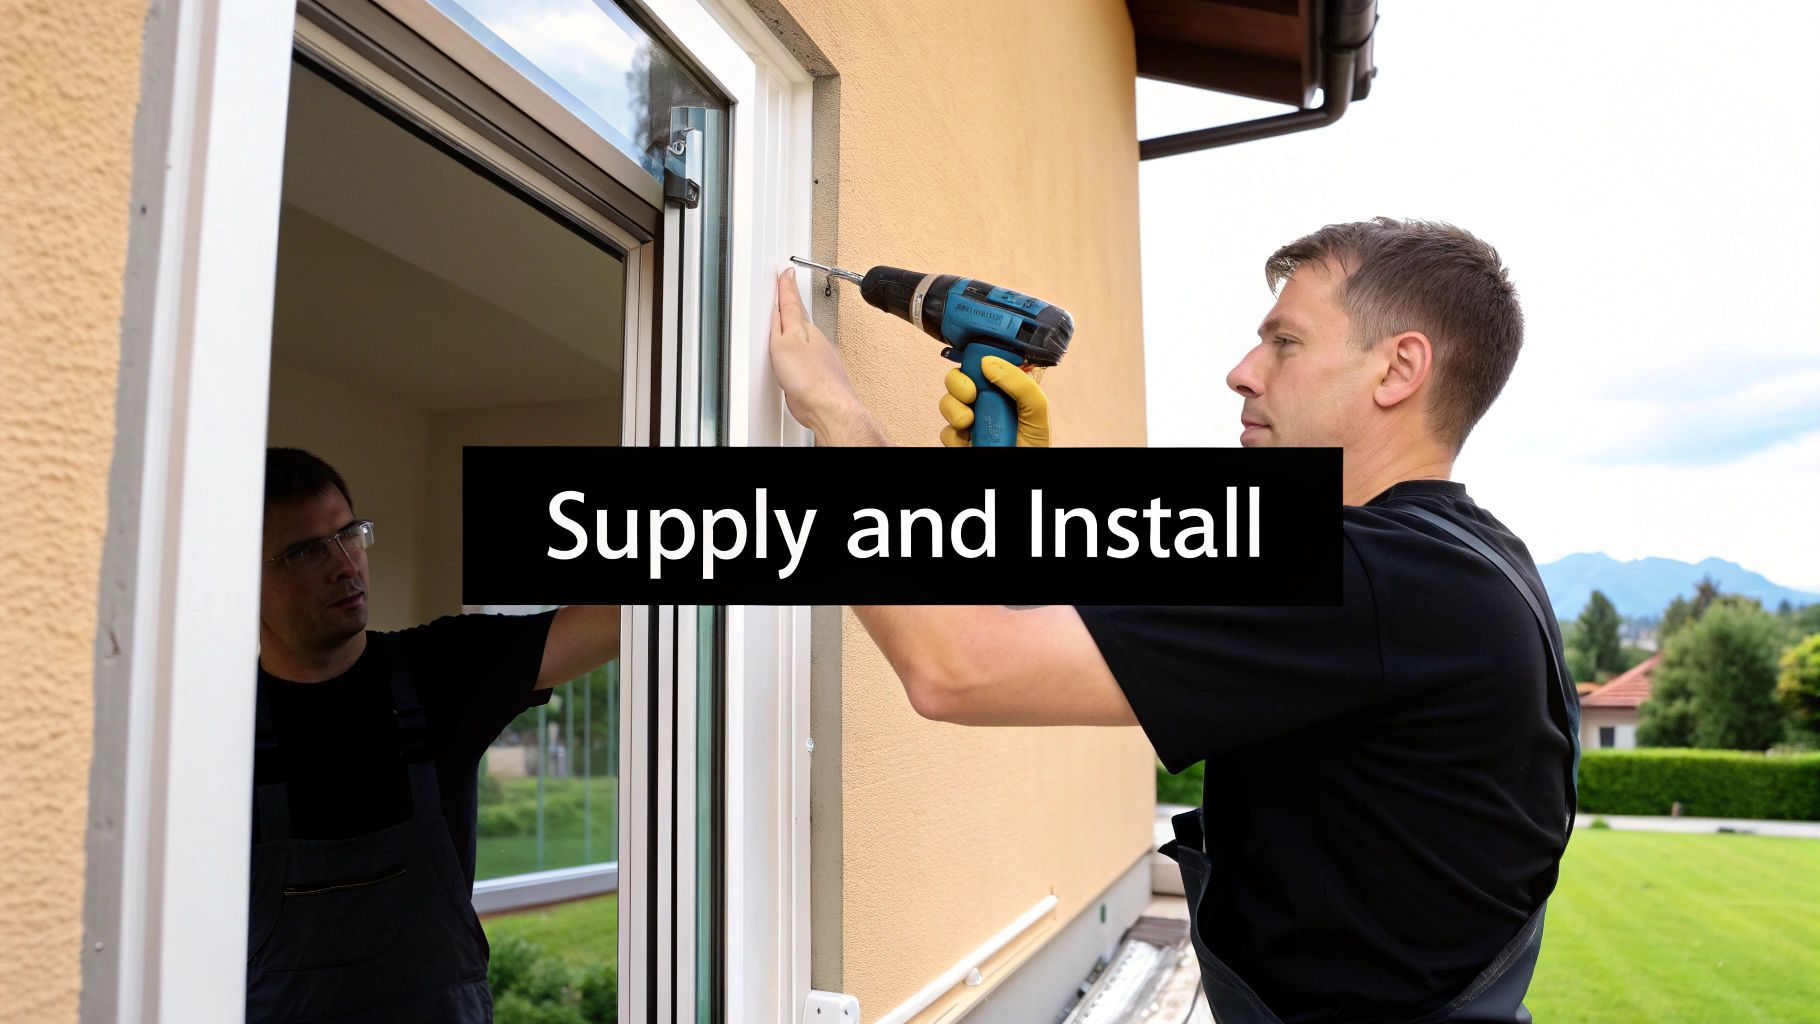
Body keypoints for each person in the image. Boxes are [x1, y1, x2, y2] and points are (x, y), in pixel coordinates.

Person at [769, 218, 1578, 1024]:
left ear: (1399, 368)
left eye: (1285, 343)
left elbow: (958, 666)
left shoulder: (1368, 576)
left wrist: (840, 419)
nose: (1242, 372)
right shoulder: (1458, 562)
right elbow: (1047, 625)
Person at [247, 447, 620, 1023]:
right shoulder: (211, 726)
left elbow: (626, 613)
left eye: (350, 534)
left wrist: (817, 417)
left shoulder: (440, 670)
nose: (346, 564)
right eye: (306, 552)